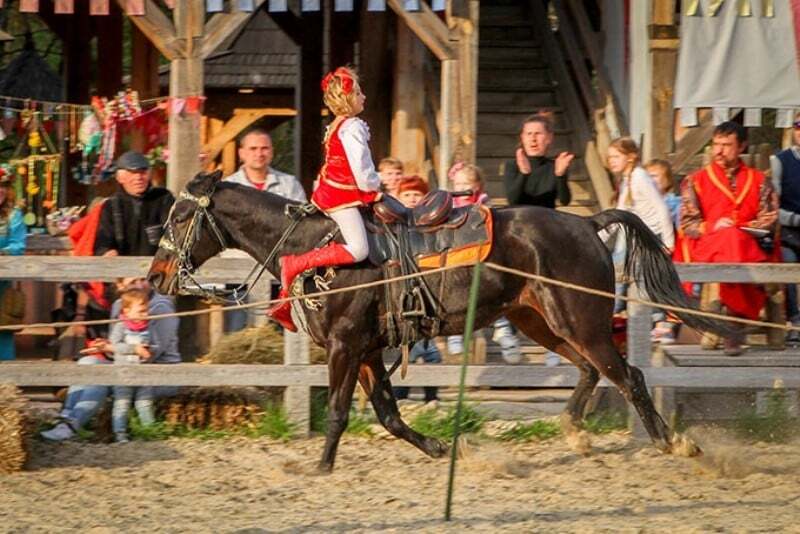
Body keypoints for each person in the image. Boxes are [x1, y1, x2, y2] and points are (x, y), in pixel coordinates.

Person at [266, 66, 382, 332]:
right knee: (359, 249)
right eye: (359, 92)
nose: (363, 97)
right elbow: (363, 174)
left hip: (331, 191)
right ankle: (296, 263)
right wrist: (378, 186)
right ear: (348, 98)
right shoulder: (352, 128)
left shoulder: (337, 126)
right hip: (341, 197)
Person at [674, 121, 779, 355]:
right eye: (716, 144)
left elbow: (770, 218)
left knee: (736, 239)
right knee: (730, 238)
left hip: (750, 245)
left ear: (741, 146)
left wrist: (742, 227)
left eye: (727, 145)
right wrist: (714, 226)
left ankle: (734, 323)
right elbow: (688, 224)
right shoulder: (695, 181)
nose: (719, 151)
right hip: (709, 245)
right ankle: (736, 321)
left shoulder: (760, 180)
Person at [40, 277, 181, 442]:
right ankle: (66, 415)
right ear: (120, 286)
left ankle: (72, 425)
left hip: (154, 373)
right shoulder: (119, 306)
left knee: (102, 379)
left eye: (143, 279)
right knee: (87, 362)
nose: (140, 285)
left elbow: (151, 354)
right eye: (133, 281)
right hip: (127, 366)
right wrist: (105, 346)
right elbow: (118, 347)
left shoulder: (160, 307)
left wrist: (115, 349)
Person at [222, 128, 307, 332]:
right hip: (240, 268)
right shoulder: (228, 188)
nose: (259, 153)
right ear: (241, 153)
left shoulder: (289, 185)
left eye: (264, 148)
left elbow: (302, 224)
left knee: (280, 330)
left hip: (280, 269)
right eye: (253, 149)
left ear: (271, 152)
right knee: (238, 328)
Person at [445, 163, 525, 364]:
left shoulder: (482, 204)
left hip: (480, 256)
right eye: (458, 183)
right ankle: (454, 335)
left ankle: (504, 332)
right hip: (457, 259)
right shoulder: (450, 205)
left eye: (467, 183)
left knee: (493, 294)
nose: (462, 187)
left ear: (478, 186)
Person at [391, 175, 441, 403]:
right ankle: (401, 398)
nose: (412, 199)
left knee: (431, 354)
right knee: (406, 353)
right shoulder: (394, 225)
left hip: (426, 290)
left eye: (416, 195)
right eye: (407, 195)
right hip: (404, 292)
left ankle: (432, 400)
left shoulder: (430, 225)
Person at [94, 150, 175, 257]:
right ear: (120, 178)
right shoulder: (111, 206)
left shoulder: (163, 198)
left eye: (143, 172)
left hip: (158, 266)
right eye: (133, 173)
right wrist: (107, 252)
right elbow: (103, 240)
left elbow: (175, 233)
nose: (138, 178)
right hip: (123, 269)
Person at [770, 115, 800, 344]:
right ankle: (794, 321)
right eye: (798, 126)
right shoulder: (780, 160)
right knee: (788, 268)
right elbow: (773, 207)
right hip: (790, 231)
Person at [503, 113, 573, 208]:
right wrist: (524, 174)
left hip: (547, 219)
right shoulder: (512, 165)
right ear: (522, 138)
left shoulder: (555, 166)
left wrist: (560, 175)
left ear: (549, 138)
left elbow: (565, 201)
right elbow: (512, 201)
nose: (533, 139)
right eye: (529, 134)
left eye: (538, 134)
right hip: (520, 219)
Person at [0, 172, 26, 360]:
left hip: (1, 281)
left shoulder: (13, 215)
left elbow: (18, 245)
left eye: (3, 186)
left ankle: (5, 383)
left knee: (2, 328)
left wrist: (3, 252)